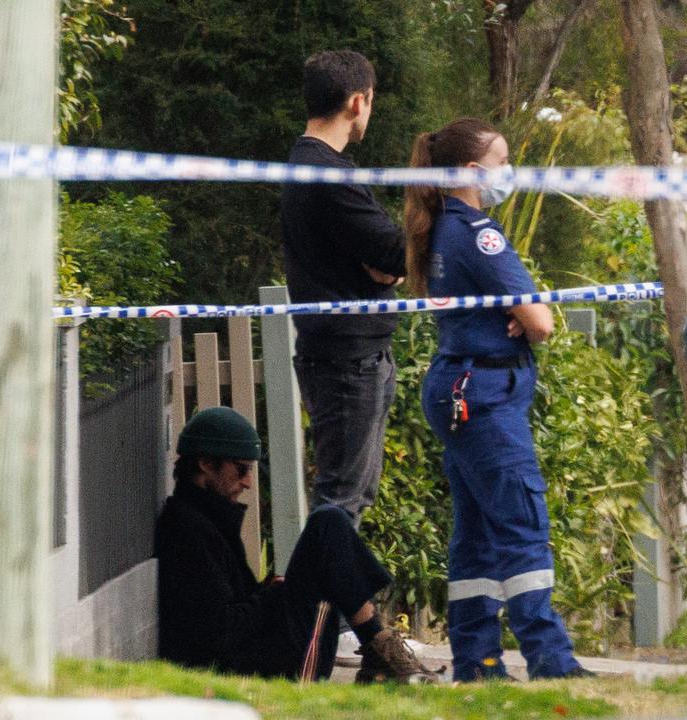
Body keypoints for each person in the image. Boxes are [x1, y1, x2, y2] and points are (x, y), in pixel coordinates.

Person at [403, 118, 592, 682]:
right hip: (484, 396)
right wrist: (522, 315)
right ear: (470, 172)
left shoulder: (442, 227)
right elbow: (542, 322)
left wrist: (516, 314)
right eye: (502, 161)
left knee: (478, 537)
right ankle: (551, 661)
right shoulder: (479, 233)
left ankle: (477, 661)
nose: (509, 173)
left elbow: (520, 314)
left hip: (463, 389)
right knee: (521, 525)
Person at [155, 406, 436, 684]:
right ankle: (379, 648)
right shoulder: (189, 530)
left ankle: (379, 647)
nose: (248, 483)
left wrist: (266, 590)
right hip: (265, 668)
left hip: (264, 652)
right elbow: (219, 632)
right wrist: (272, 595)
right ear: (205, 464)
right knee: (327, 523)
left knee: (329, 522)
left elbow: (233, 604)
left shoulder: (206, 516)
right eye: (241, 470)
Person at [281, 50, 404, 521]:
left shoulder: (307, 165)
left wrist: (384, 265)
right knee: (340, 503)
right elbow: (395, 253)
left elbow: (386, 259)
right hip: (347, 360)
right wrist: (388, 265)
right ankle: (315, 598)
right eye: (371, 102)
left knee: (351, 499)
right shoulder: (330, 175)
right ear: (358, 101)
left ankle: (337, 596)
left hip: (350, 354)